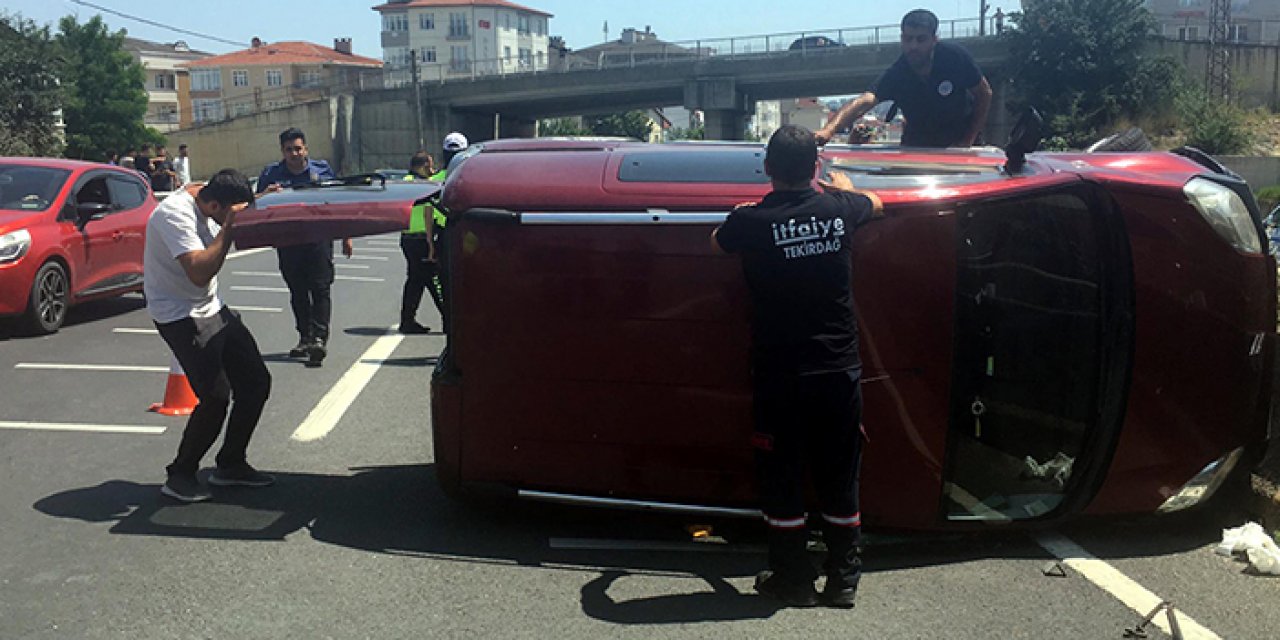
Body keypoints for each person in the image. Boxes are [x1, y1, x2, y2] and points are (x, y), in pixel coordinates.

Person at [711, 125, 884, 608]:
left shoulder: (751, 221)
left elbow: (716, 243)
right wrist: (841, 186)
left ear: (767, 168)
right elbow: (877, 203)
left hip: (780, 374)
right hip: (838, 370)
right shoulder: (840, 209)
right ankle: (843, 579)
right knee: (840, 472)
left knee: (781, 474)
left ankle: (792, 579)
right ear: (815, 167)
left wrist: (744, 215)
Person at [143, 169, 274, 502]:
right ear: (215, 205)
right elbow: (199, 272)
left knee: (255, 381)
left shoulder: (210, 197)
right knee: (215, 398)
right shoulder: (174, 215)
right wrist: (228, 227)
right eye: (227, 214)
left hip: (212, 306)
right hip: (179, 314)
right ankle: (180, 474)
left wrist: (264, 202)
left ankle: (230, 464)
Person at [815, 9, 993, 148]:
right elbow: (865, 101)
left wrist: (968, 139)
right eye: (908, 39)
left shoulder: (955, 58)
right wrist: (829, 130)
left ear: (934, 39)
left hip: (961, 142)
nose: (913, 46)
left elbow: (984, 93)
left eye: (921, 39)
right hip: (918, 143)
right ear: (901, 39)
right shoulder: (898, 73)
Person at [257, 127, 353, 367]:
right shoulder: (271, 174)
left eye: (298, 149)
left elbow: (338, 202)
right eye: (289, 149)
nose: (294, 154)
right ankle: (305, 337)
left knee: (320, 289)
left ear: (306, 149)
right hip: (288, 241)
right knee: (298, 291)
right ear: (282, 151)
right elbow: (254, 205)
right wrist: (265, 194)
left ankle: (319, 339)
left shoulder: (322, 171)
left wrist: (346, 235)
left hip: (318, 239)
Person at [422, 132, 468, 335]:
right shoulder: (470, 178)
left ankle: (450, 325)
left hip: (445, 235)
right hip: (466, 235)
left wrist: (430, 243)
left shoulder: (435, 180)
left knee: (447, 283)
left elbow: (428, 214)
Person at [398, 150, 438, 334]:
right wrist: (431, 242)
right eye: (430, 165)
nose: (432, 170)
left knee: (416, 280)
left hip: (407, 237)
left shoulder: (404, 182)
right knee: (432, 278)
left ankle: (407, 320)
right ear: (423, 166)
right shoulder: (423, 185)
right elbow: (428, 214)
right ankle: (448, 319)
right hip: (421, 238)